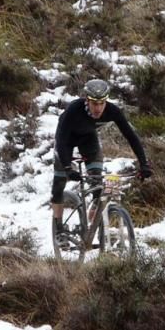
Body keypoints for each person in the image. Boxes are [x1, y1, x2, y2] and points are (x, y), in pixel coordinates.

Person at [51, 78, 152, 236]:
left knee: (97, 183)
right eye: (94, 103)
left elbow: (131, 137)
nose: (98, 108)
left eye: (102, 103)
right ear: (87, 100)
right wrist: (67, 168)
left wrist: (144, 163)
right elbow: (62, 141)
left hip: (88, 140)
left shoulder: (112, 111)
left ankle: (92, 224)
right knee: (59, 183)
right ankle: (58, 229)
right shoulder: (74, 110)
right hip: (66, 141)